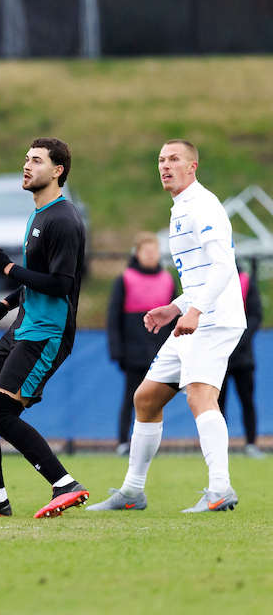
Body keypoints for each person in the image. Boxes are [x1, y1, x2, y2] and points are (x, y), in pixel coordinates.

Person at [89, 140, 245, 514]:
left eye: (174, 159)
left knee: (199, 396)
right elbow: (200, 276)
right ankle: (132, 492)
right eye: (161, 160)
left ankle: (220, 488)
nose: (165, 166)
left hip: (214, 319)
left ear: (193, 166)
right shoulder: (180, 210)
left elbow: (224, 267)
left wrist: (194, 312)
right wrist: (175, 307)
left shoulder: (202, 205)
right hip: (195, 317)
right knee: (146, 397)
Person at [0, 138, 89, 520]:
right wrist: (5, 304)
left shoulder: (62, 219)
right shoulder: (38, 214)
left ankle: (65, 484)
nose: (27, 166)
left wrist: (6, 267)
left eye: (37, 161)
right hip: (24, 324)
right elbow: (39, 278)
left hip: (47, 332)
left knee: (0, 413)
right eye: (26, 159)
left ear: (57, 170)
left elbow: (61, 283)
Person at [106, 232, 175, 454]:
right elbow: (113, 318)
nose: (151, 255)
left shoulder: (167, 280)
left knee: (157, 401)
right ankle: (123, 442)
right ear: (137, 253)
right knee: (131, 398)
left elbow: (176, 319)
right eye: (147, 251)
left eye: (154, 251)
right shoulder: (125, 279)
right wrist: (117, 351)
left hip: (160, 352)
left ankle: (150, 445)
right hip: (132, 353)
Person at [217, 263, 263, 458]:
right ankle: (218, 448)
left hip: (242, 355)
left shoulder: (244, 280)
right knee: (216, 404)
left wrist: (237, 342)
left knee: (247, 400)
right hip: (217, 354)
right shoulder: (210, 280)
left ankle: (251, 444)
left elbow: (255, 316)